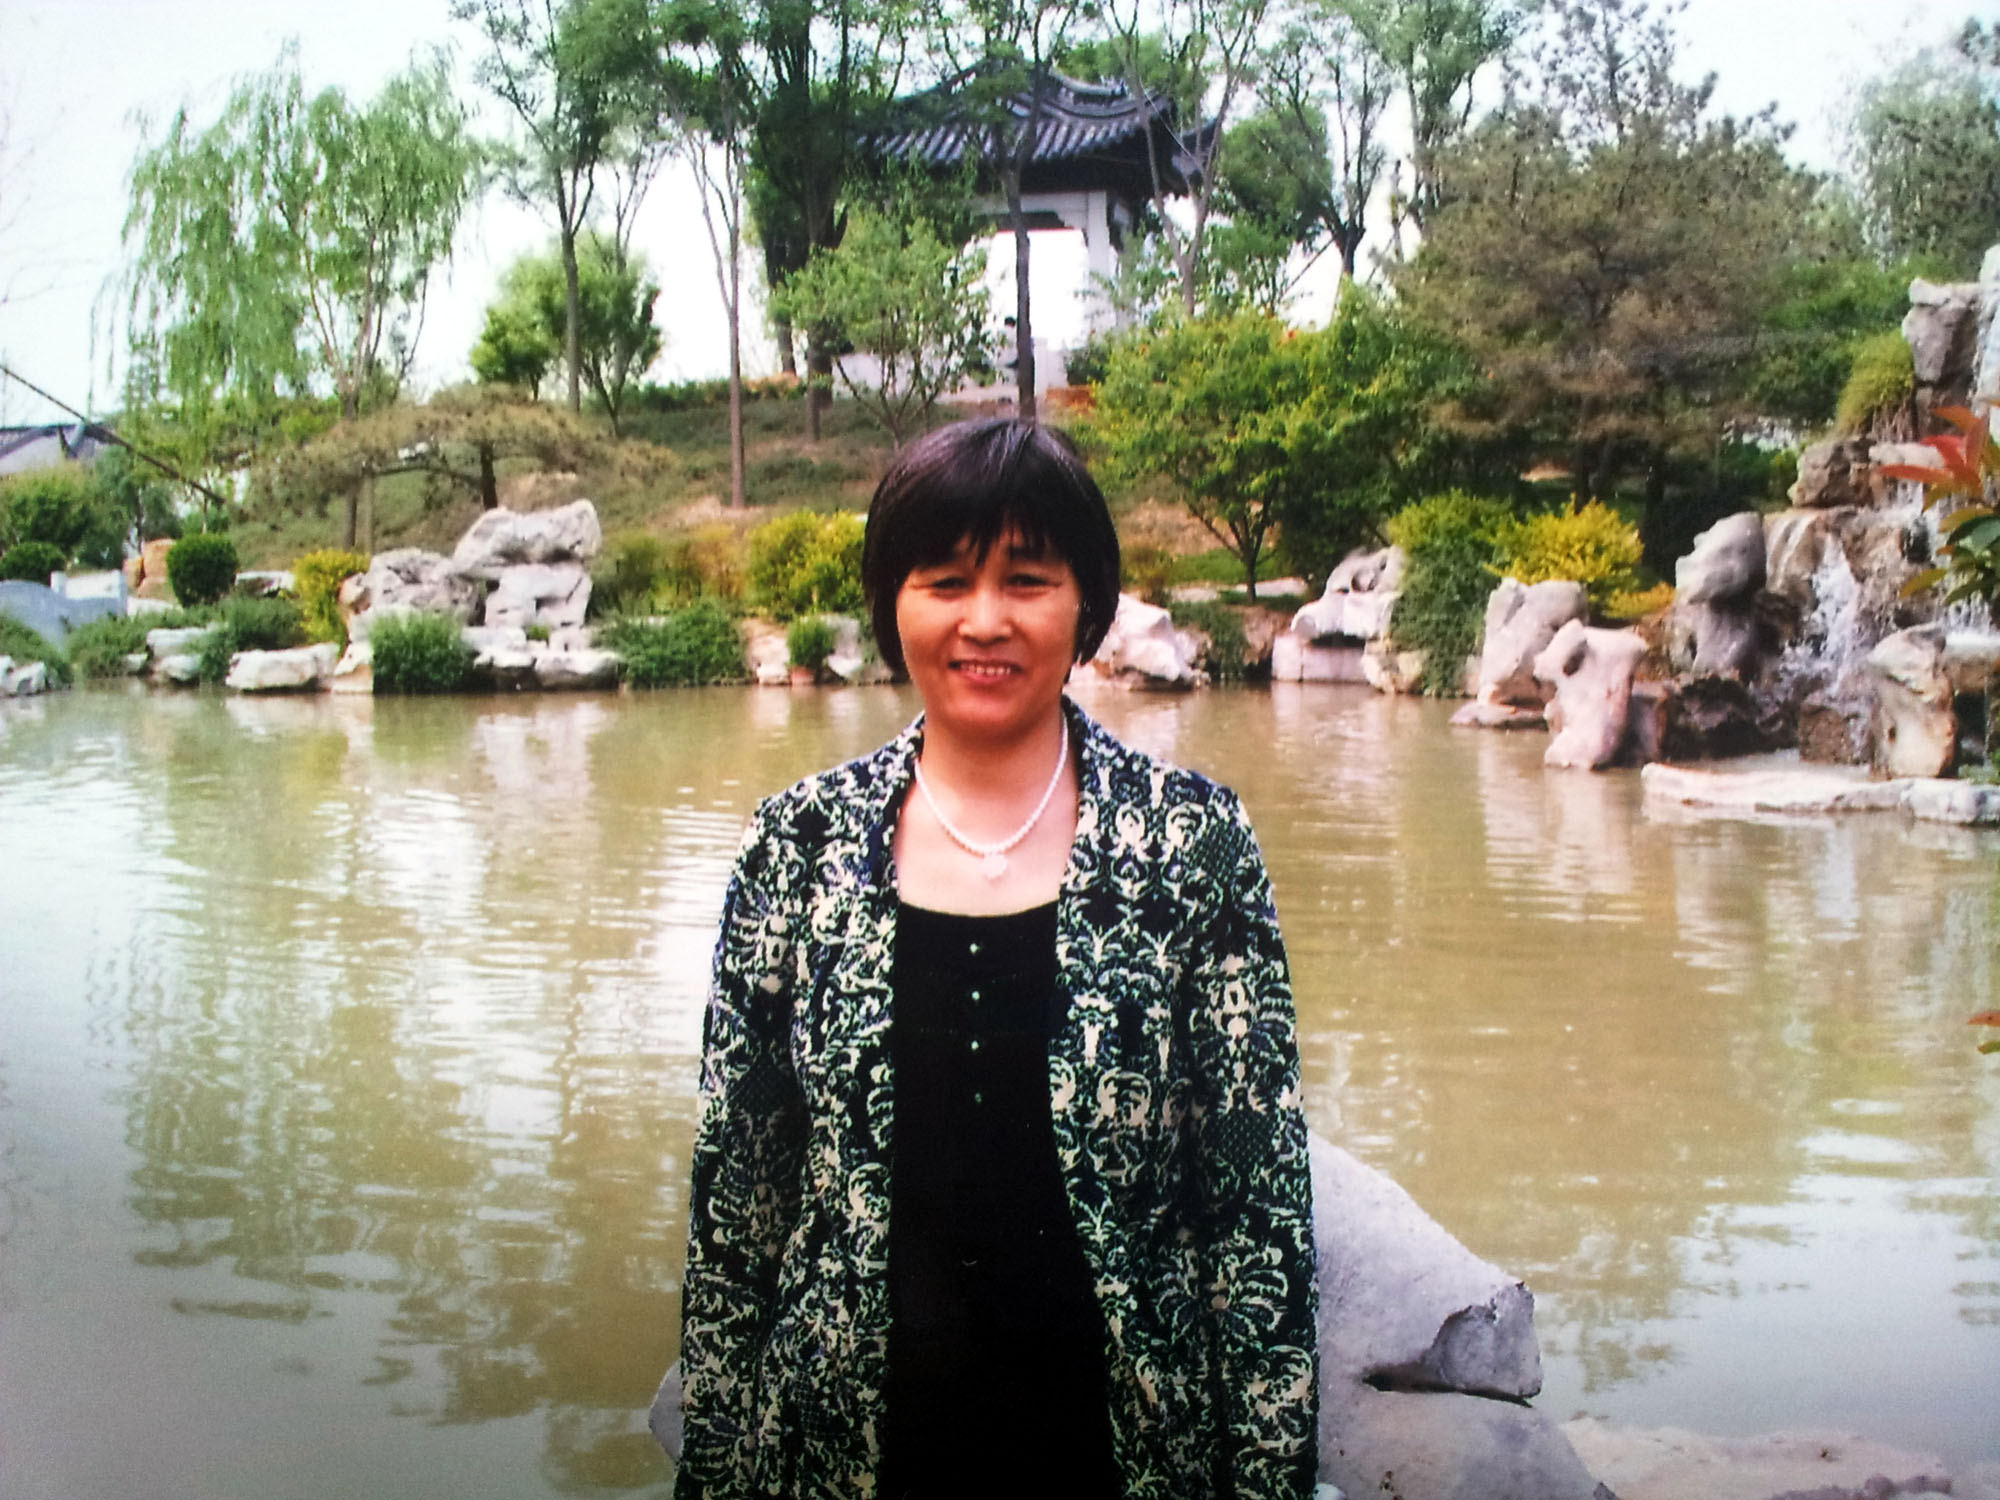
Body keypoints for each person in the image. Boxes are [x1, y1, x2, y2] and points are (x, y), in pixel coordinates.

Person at [673, 419, 1319, 1500]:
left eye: (1026, 579)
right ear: (893, 603)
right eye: (944, 581)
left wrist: (1267, 1479)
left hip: (1121, 1452)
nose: (984, 620)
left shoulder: (1192, 843)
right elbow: (738, 1204)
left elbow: (1256, 1212)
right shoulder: (796, 845)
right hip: (841, 1454)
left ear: (1086, 604)